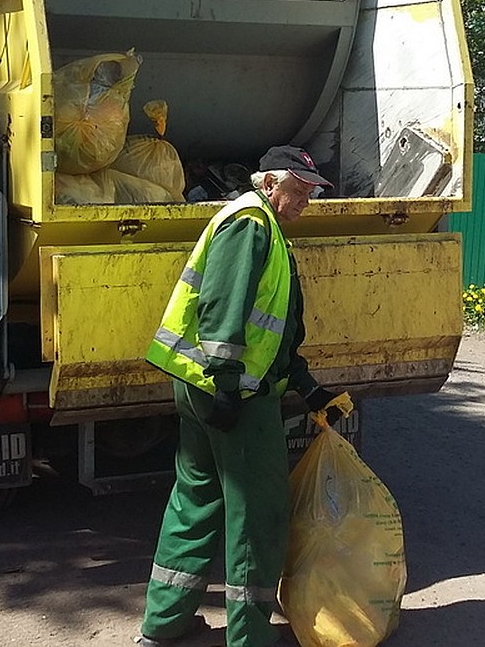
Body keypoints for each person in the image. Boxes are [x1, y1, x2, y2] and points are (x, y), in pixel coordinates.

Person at [138, 145, 347, 647]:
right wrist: (229, 386)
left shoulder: (260, 225)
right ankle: (249, 637)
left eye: (310, 193)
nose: (303, 202)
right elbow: (223, 309)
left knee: (197, 499)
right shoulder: (251, 224)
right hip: (229, 391)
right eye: (296, 191)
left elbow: (271, 330)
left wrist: (307, 387)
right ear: (270, 183)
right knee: (258, 512)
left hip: (201, 383)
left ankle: (163, 624)